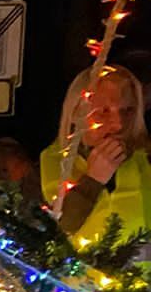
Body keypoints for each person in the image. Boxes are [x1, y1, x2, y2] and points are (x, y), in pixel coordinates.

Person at [42, 63, 149, 243]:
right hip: (87, 261)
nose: (118, 124)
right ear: (76, 112)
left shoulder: (144, 155)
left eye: (128, 110)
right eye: (104, 111)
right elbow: (60, 228)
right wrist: (92, 180)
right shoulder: (57, 158)